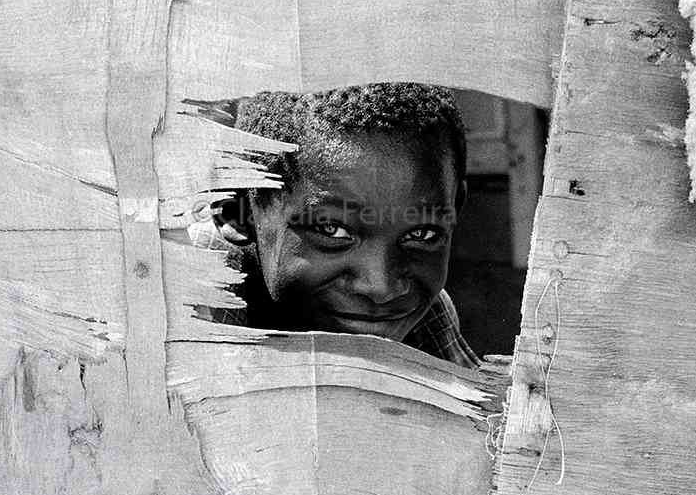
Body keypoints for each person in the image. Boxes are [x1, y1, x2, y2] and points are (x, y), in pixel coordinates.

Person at [188, 82, 481, 369]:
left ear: (455, 207)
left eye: (421, 234)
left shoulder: (419, 309)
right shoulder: (183, 305)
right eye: (332, 230)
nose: (381, 288)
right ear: (237, 210)